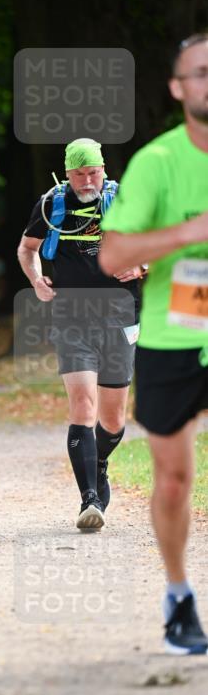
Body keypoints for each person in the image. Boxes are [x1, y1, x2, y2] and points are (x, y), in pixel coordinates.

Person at [100, 33, 208, 655]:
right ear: (177, 87)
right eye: (200, 72)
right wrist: (188, 232)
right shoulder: (158, 161)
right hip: (175, 335)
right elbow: (113, 255)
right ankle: (178, 595)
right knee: (173, 478)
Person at [17, 139, 146, 529]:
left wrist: (141, 266)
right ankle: (89, 498)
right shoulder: (50, 204)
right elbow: (27, 249)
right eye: (79, 174)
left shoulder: (127, 199)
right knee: (82, 406)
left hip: (120, 315)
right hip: (72, 316)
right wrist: (36, 279)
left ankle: (99, 462)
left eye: (93, 173)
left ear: (104, 170)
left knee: (113, 419)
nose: (87, 181)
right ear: (66, 174)